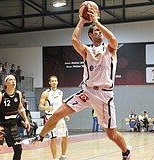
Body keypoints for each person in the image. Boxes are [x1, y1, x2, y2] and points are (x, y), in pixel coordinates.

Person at [23, 5, 132, 160]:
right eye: (96, 30)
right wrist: (82, 20)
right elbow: (74, 40)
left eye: (100, 31)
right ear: (90, 35)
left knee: (111, 134)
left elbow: (114, 39)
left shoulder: (110, 49)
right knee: (57, 114)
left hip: (104, 95)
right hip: (87, 91)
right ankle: (39, 137)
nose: (99, 32)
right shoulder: (86, 51)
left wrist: (97, 22)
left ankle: (126, 152)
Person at [0, 74, 30, 160]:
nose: (13, 81)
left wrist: (26, 120)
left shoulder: (18, 94)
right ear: (5, 83)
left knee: (18, 149)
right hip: (0, 126)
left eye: (14, 79)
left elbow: (20, 108)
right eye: (10, 80)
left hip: (12, 125)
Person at [38, 75, 70, 160]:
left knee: (65, 136)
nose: (54, 82)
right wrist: (46, 108)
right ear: (49, 82)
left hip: (60, 117)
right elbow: (40, 106)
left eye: (55, 81)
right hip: (50, 117)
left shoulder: (60, 92)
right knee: (53, 138)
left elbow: (60, 105)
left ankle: (63, 156)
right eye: (52, 81)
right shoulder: (46, 93)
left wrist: (65, 114)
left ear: (57, 82)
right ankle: (55, 158)